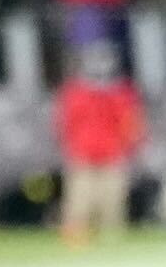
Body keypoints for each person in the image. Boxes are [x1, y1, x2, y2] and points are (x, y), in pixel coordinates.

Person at [56, 46, 145, 245]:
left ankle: (111, 236)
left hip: (112, 152)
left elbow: (131, 123)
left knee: (113, 198)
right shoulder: (76, 93)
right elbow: (66, 124)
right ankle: (76, 236)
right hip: (83, 153)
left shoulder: (121, 93)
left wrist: (130, 146)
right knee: (80, 198)